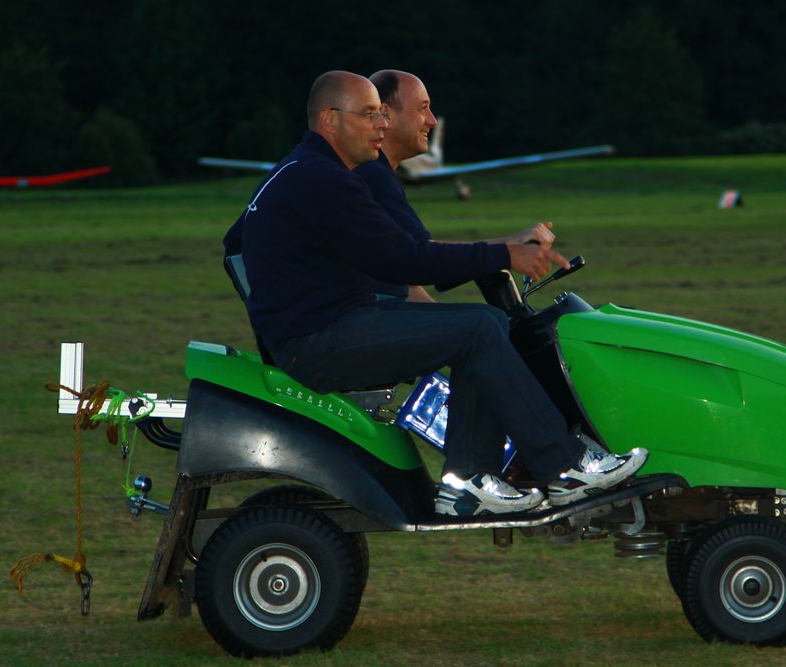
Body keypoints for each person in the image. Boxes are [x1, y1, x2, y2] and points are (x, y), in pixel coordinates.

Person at [230, 71, 646, 516]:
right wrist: (503, 253)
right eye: (369, 115)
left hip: (316, 331)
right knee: (480, 327)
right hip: (320, 339)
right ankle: (562, 467)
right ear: (330, 119)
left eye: (381, 115)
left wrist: (274, 323)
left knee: (478, 326)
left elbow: (232, 246)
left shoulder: (302, 171)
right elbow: (406, 260)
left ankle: (470, 480)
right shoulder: (324, 179)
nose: (381, 126)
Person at [356, 69, 552, 302]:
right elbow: (421, 258)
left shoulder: (374, 172)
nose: (431, 120)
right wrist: (509, 249)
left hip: (364, 307)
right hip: (350, 320)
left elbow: (405, 279)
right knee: (487, 325)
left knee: (479, 323)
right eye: (422, 108)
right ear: (386, 114)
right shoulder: (371, 174)